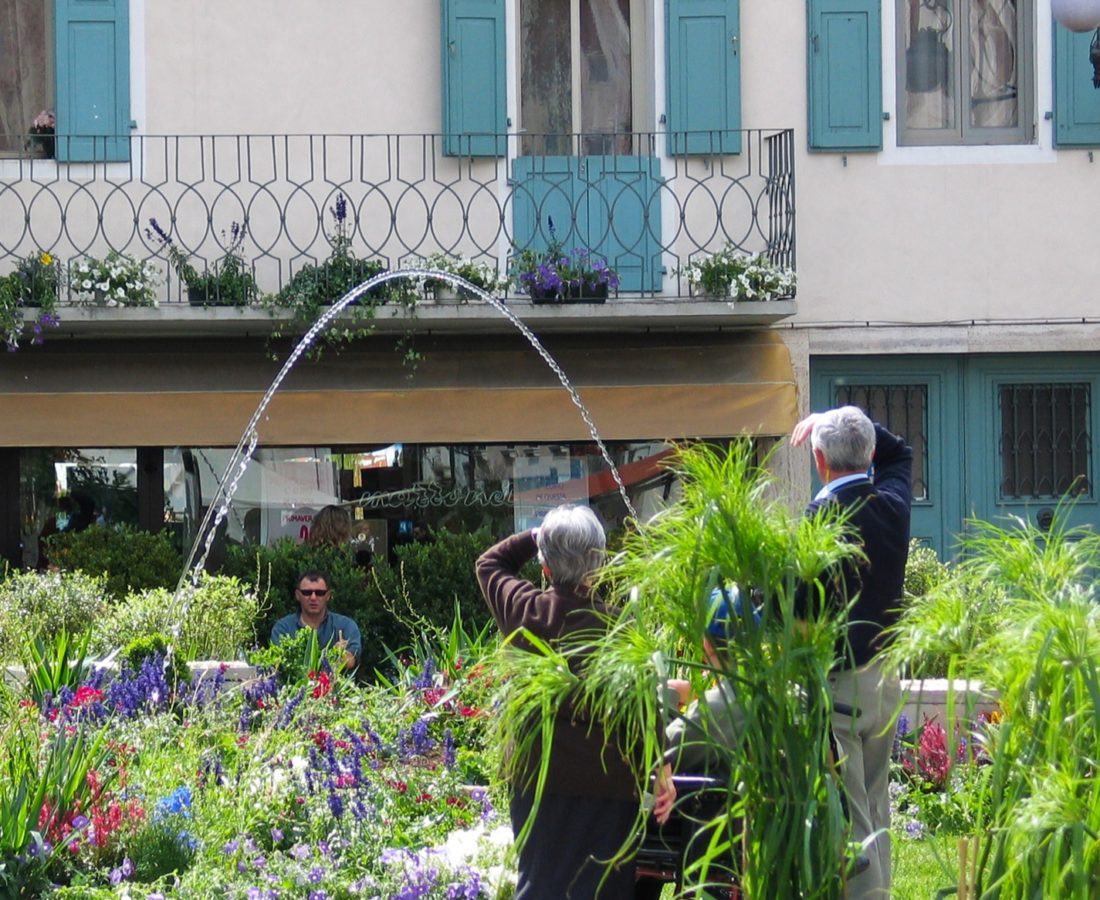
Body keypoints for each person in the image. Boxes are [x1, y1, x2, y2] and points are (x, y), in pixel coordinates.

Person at [475, 505, 674, 899]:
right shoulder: (621, 625)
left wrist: (536, 537)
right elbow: (644, 705)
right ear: (599, 565)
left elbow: (490, 562)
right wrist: (660, 765)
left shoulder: (525, 610)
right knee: (606, 889)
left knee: (541, 882)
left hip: (538, 773)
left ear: (545, 567)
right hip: (611, 779)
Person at [791, 406, 913, 900]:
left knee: (851, 809)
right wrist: (840, 421)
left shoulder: (818, 519)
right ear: (868, 456)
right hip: (887, 677)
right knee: (877, 802)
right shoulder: (893, 505)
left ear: (819, 460)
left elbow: (796, 608)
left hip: (841, 682)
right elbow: (900, 451)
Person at [270, 569, 362, 671]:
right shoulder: (283, 628)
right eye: (307, 592)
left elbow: (351, 661)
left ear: (328, 595)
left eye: (319, 593)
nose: (313, 597)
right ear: (297, 595)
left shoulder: (345, 625)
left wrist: (341, 654)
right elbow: (278, 664)